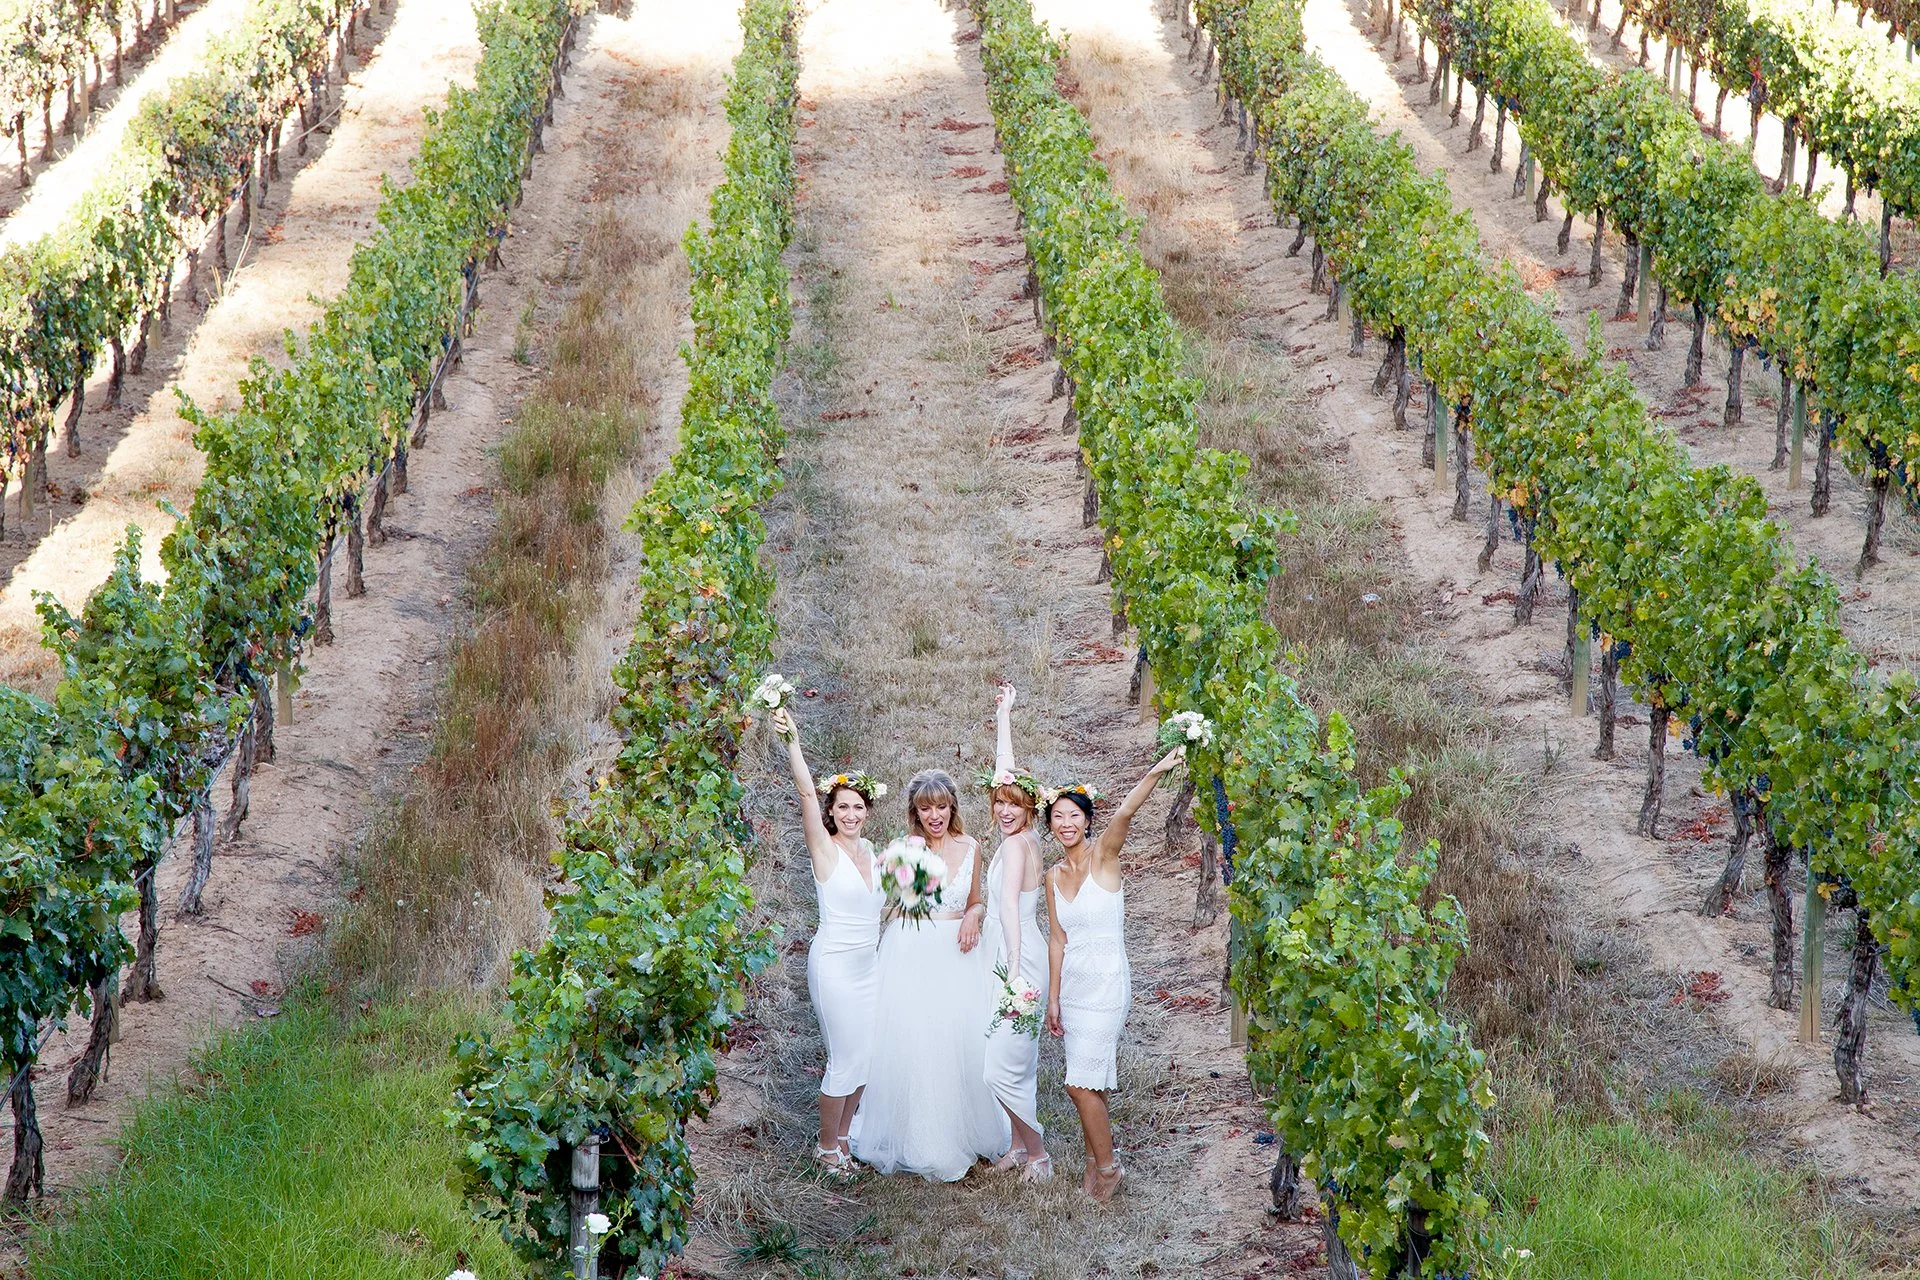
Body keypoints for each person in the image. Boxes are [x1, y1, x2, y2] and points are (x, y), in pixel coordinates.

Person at [851, 768, 1008, 1179]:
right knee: (918, 1038)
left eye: (941, 806)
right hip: (914, 949)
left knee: (957, 1037)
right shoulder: (905, 848)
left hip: (957, 951)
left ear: (952, 806)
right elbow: (898, 905)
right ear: (915, 812)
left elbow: (976, 900)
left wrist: (974, 916)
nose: (934, 815)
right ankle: (918, 1136)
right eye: (925, 808)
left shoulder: (971, 846)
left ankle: (964, 1129)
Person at [1044, 747, 1184, 1201]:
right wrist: (1053, 996)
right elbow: (1057, 939)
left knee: (1078, 1083)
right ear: (1050, 826)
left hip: (1106, 980)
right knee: (1090, 1079)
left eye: (1073, 816)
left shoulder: (1104, 856)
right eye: (1057, 818)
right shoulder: (1052, 875)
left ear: (1086, 821)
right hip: (1075, 984)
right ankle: (1093, 1162)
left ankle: (1108, 1168)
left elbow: (1126, 810)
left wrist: (1159, 769)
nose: (1066, 824)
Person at [772, 706, 885, 1176]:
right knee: (844, 1057)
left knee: (867, 1054)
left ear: (867, 812)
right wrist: (794, 743)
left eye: (859, 807)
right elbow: (803, 791)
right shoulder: (824, 847)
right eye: (843, 807)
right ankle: (824, 1148)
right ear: (831, 813)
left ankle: (842, 1140)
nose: (852, 814)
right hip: (835, 965)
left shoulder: (873, 852)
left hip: (869, 966)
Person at [979, 683, 1050, 1180]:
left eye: (1014, 805)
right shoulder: (1020, 836)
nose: (1004, 810)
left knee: (1001, 1065)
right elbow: (1006, 767)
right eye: (999, 802)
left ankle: (1039, 1155)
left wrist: (1015, 969)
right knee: (1013, 1059)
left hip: (1017, 957)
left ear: (1029, 810)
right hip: (1010, 954)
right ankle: (1019, 1149)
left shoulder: (1020, 847)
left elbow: (1006, 909)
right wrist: (1005, 713)